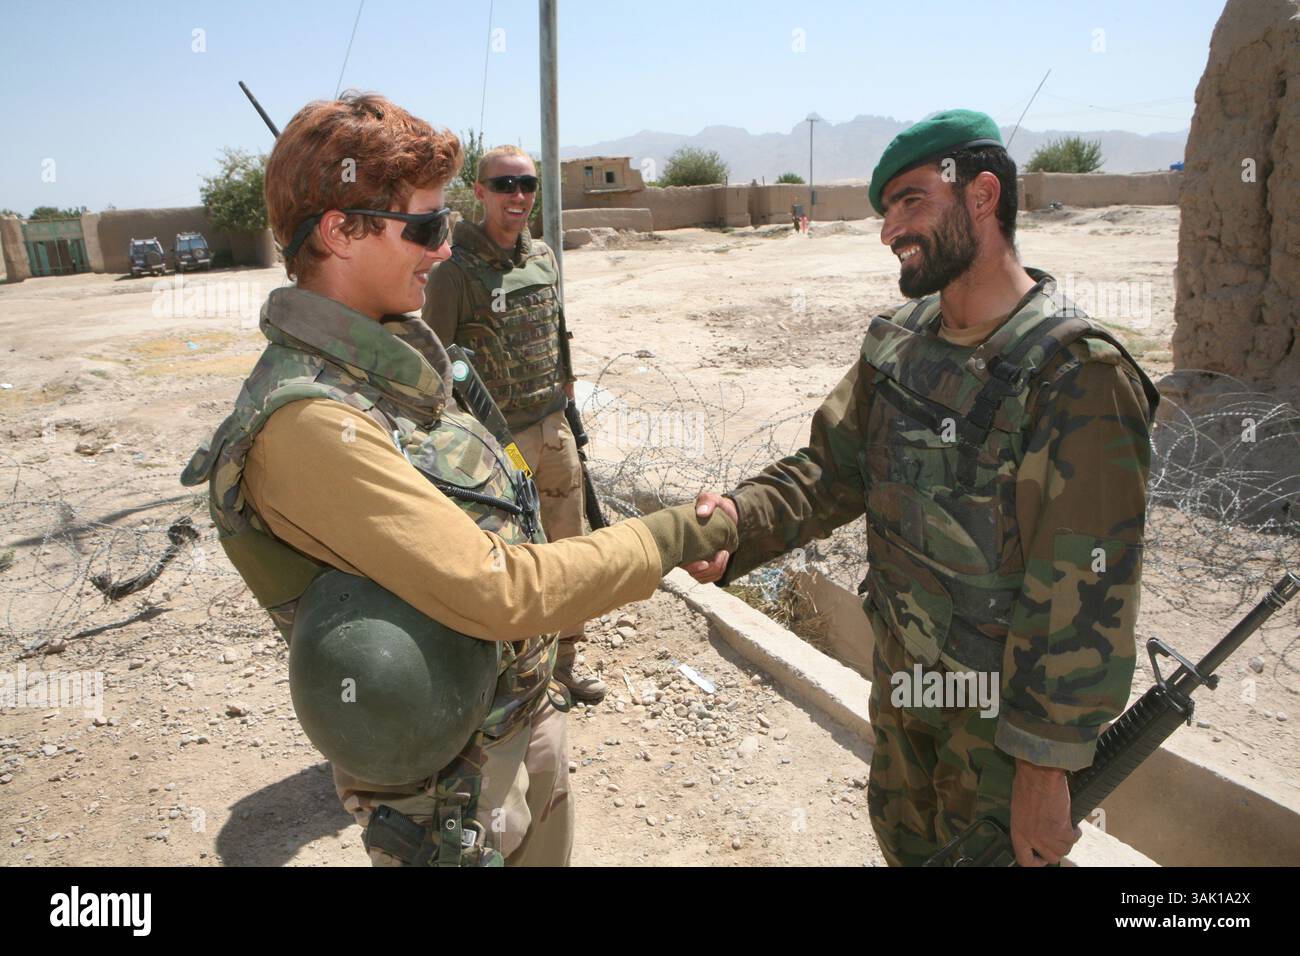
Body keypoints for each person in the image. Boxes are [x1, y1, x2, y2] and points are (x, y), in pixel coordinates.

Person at [181, 92, 736, 866]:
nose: (443, 251)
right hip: (450, 793)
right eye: (425, 227)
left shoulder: (387, 366)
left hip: (511, 715)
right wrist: (676, 535)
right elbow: (497, 588)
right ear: (339, 232)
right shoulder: (309, 422)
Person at [685, 109, 1159, 867]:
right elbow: (830, 471)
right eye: (886, 210)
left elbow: (1085, 597)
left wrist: (1044, 769)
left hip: (1000, 740)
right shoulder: (898, 342)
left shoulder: (1076, 376)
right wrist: (740, 522)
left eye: (911, 201)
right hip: (906, 691)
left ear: (981, 196)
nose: (889, 231)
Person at [421, 145, 606, 704]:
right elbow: (434, 363)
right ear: (480, 192)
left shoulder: (543, 257)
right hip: (495, 444)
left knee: (567, 546)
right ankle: (520, 671)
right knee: (511, 558)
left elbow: (556, 328)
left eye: (527, 184)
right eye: (504, 185)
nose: (518, 195)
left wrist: (567, 390)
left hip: (553, 430)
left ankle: (565, 660)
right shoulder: (453, 272)